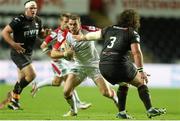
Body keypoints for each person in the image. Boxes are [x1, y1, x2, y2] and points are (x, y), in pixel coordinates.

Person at [73, 9, 166, 119]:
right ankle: (150, 109)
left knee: (123, 84)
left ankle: (121, 112)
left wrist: (80, 37)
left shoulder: (109, 29)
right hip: (117, 64)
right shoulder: (131, 33)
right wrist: (141, 71)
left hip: (103, 66)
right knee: (141, 82)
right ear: (134, 21)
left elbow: (92, 36)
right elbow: (136, 53)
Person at [50, 14, 118, 117]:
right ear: (68, 24)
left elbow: (106, 32)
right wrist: (65, 54)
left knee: (105, 93)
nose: (72, 27)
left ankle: (115, 98)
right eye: (70, 24)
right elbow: (53, 53)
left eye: (75, 24)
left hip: (94, 66)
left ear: (80, 24)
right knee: (66, 91)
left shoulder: (89, 30)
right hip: (79, 66)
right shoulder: (64, 35)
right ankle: (73, 110)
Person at [31, 13, 92, 110]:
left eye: (69, 22)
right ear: (61, 22)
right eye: (66, 22)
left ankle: (37, 85)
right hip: (58, 62)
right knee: (69, 79)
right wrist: (51, 55)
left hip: (65, 60)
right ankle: (78, 103)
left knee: (57, 82)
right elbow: (43, 46)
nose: (68, 24)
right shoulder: (55, 33)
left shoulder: (69, 32)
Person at [0, 0, 49, 110]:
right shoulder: (19, 20)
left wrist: (44, 34)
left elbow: (40, 34)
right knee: (32, 75)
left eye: (35, 8)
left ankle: (14, 102)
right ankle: (13, 93)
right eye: (31, 8)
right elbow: (4, 32)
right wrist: (13, 44)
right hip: (18, 52)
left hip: (28, 53)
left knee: (21, 79)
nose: (33, 10)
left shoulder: (38, 20)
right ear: (26, 9)